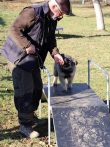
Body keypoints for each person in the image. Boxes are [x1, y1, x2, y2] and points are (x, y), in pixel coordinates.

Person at [1, 0, 70, 138]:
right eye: (61, 12)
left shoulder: (52, 18)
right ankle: (24, 125)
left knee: (37, 87)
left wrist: (55, 53)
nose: (60, 16)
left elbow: (50, 38)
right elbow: (14, 29)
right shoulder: (32, 12)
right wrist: (26, 45)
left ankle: (30, 115)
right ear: (54, 6)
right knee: (25, 90)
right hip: (18, 57)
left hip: (33, 58)